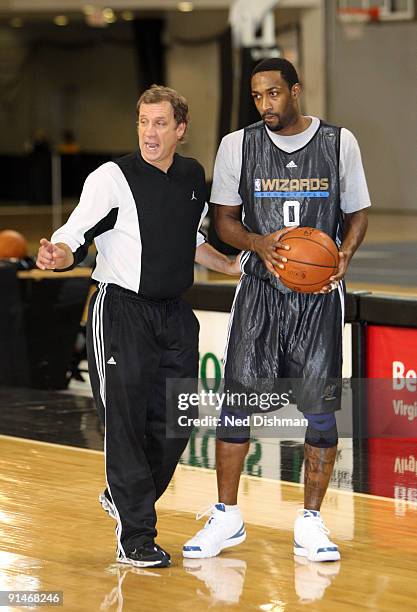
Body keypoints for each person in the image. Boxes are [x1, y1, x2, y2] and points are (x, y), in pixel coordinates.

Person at [36, 85, 240, 569]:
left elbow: (190, 240)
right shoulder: (112, 177)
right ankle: (136, 536)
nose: (149, 133)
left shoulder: (192, 177)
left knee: (177, 421)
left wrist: (228, 266)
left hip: (174, 316)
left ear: (180, 130)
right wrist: (59, 253)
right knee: (124, 425)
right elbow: (76, 231)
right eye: (143, 122)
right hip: (121, 312)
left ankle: (124, 497)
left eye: (160, 123)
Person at [183, 58, 370, 562]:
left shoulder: (339, 143)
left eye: (273, 94)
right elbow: (222, 220)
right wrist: (256, 243)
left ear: (296, 90)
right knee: (236, 403)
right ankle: (227, 516)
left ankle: (310, 522)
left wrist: (344, 254)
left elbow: (357, 213)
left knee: (319, 409)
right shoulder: (236, 145)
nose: (265, 105)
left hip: (317, 297)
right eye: (258, 97)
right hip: (260, 292)